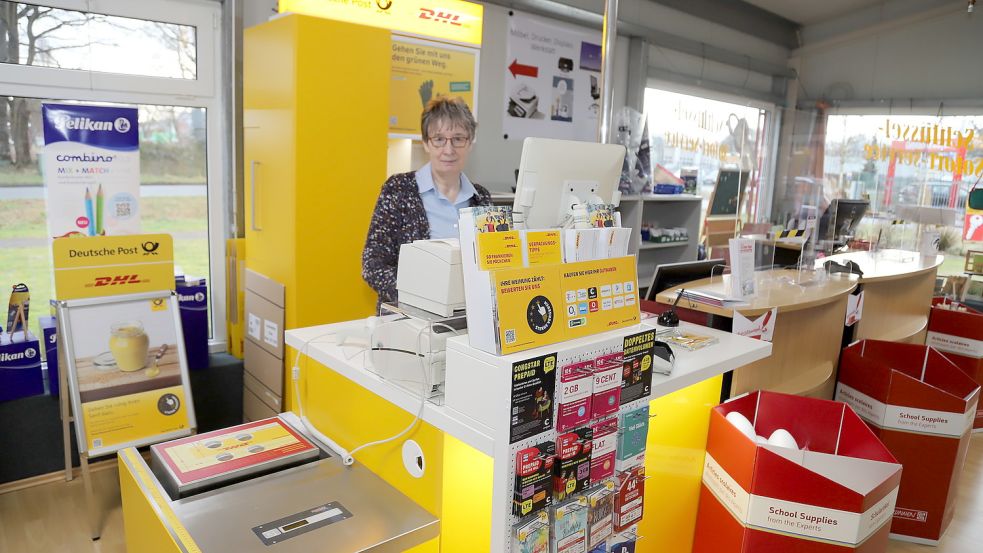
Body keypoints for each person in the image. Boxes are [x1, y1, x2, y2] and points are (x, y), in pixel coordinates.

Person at [362, 96, 491, 305]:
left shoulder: (481, 198)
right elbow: (373, 265)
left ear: (470, 143)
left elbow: (491, 264)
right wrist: (421, 298)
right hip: (408, 319)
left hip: (465, 316)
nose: (448, 150)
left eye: (458, 139)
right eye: (439, 139)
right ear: (426, 143)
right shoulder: (398, 190)